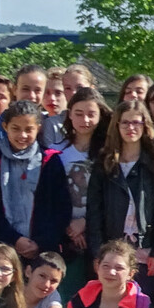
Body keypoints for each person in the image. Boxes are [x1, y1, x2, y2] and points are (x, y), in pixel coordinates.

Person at [84, 99, 154, 300]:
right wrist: (97, 252)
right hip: (112, 248)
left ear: (145, 125)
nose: (131, 128)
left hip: (144, 248)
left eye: (136, 123)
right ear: (117, 126)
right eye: (125, 123)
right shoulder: (104, 163)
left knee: (141, 305)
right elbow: (94, 212)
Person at [0, 100, 71, 260]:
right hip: (2, 248)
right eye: (16, 129)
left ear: (38, 128)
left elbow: (61, 208)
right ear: (5, 127)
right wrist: (15, 239)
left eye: (29, 130)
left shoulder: (50, 161)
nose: (22, 135)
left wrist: (40, 243)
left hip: (43, 249)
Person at [57, 86, 108, 286]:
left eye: (91, 114)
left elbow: (109, 196)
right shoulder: (57, 151)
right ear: (69, 114)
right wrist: (70, 226)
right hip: (65, 232)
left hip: (99, 230)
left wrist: (85, 222)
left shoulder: (107, 152)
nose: (85, 120)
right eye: (78, 114)